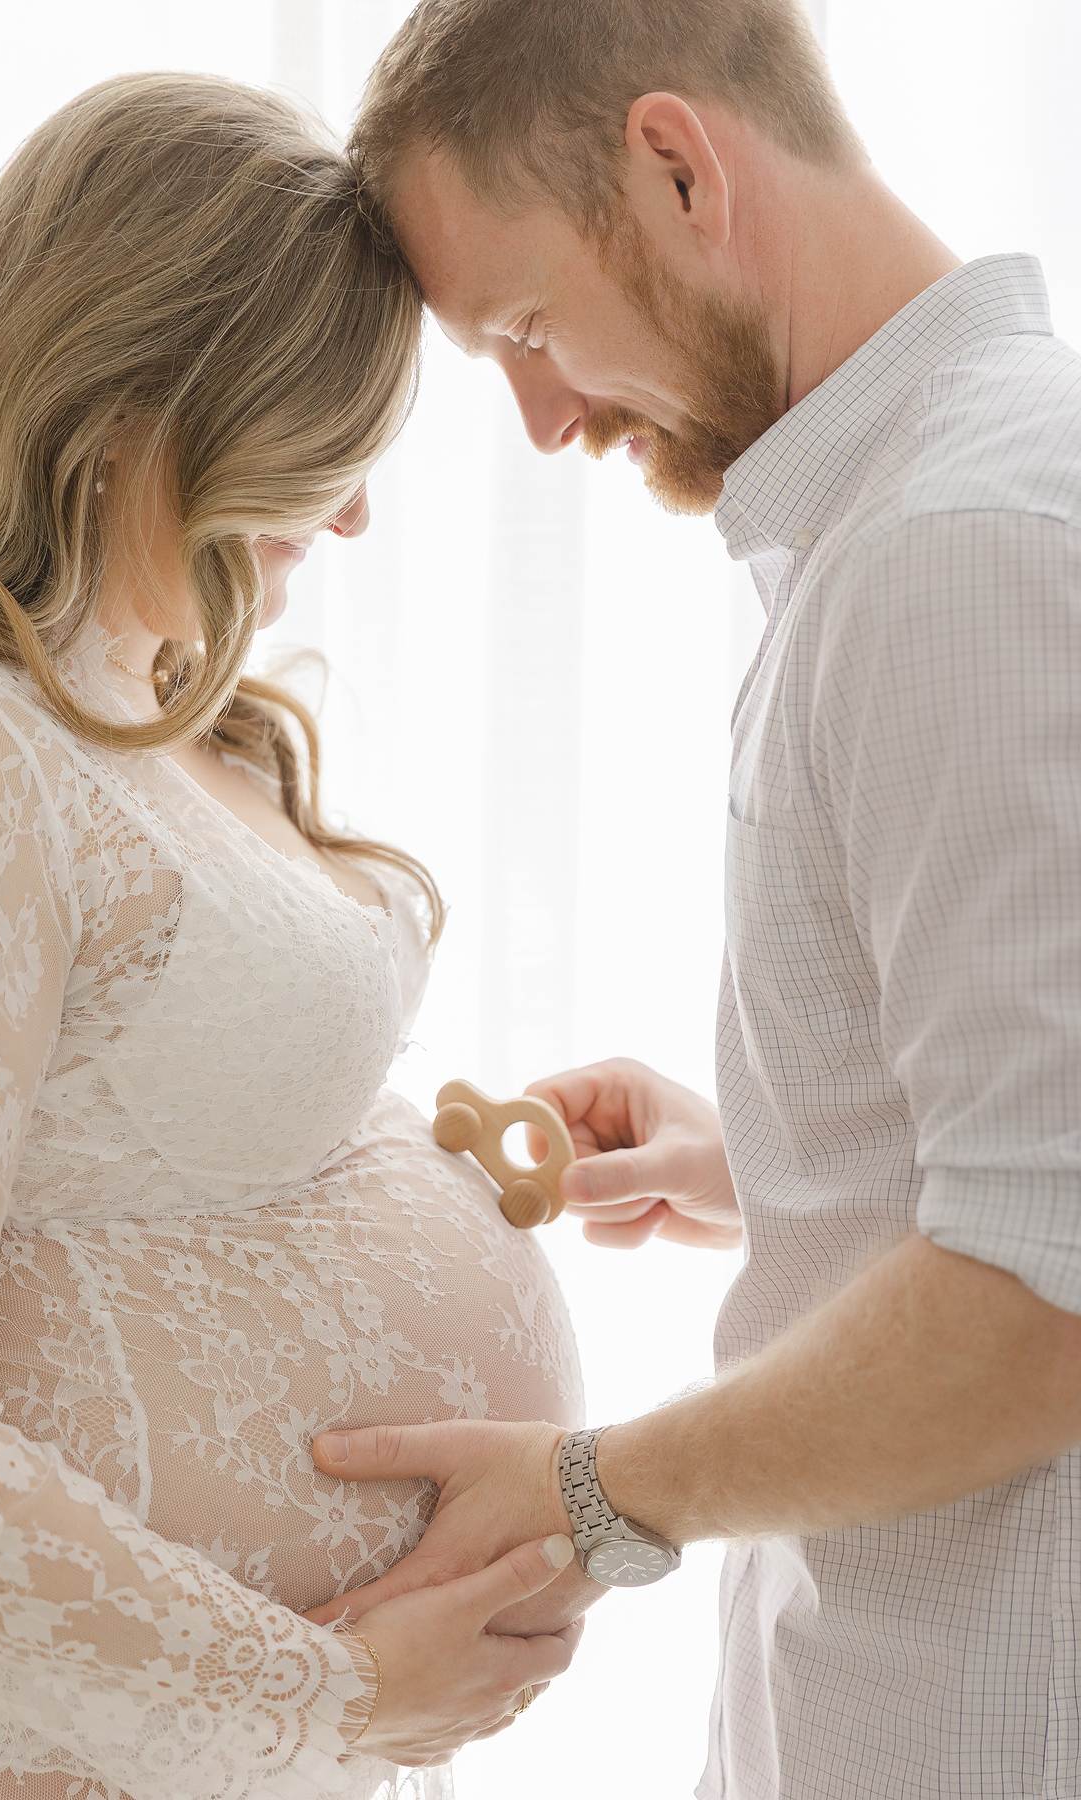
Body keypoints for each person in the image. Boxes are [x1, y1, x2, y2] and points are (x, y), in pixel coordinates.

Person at [304, 2, 1081, 1794]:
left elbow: (1043, 1298)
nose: (546, 416)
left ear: (678, 164)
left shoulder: (955, 551)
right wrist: (785, 1161)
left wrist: (595, 1495)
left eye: (524, 328)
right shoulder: (923, 510)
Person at [0, 73, 585, 1800]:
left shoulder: (174, 712)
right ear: (143, 402)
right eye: (327, 445)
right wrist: (330, 1692)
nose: (351, 517)